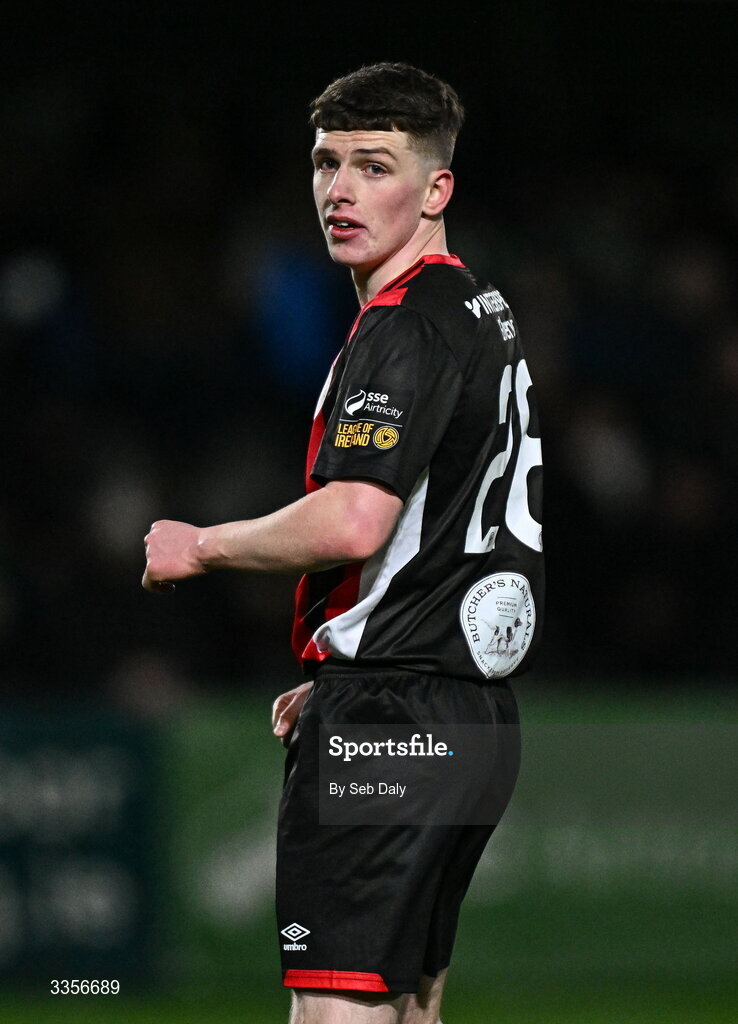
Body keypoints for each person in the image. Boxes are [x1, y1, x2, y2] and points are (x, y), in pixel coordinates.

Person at [143, 62, 544, 1024]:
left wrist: (200, 545)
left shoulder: (403, 327)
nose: (340, 191)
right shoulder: (479, 312)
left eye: (375, 166)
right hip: (467, 715)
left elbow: (356, 518)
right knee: (407, 1008)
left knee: (335, 1012)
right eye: (328, 164)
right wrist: (353, 653)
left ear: (436, 188)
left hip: (392, 714)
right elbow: (443, 528)